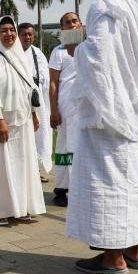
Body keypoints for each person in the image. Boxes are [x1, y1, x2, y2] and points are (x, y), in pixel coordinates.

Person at [67, 0, 138, 274]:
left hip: (105, 112)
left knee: (104, 183)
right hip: (129, 108)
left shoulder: (103, 7)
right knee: (129, 181)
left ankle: (112, 258)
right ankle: (135, 249)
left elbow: (99, 57)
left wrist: (78, 50)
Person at [0, 16, 46, 225]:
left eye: (11, 30)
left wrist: (33, 112)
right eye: (3, 30)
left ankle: (21, 207)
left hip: (22, 121)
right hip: (2, 122)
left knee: (22, 163)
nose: (9, 34)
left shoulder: (20, 57)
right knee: (0, 165)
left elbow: (29, 87)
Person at [48, 12, 82, 207]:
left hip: (85, 106)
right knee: (64, 148)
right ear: (62, 28)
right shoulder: (59, 51)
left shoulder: (88, 47)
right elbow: (53, 83)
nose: (71, 25)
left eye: (74, 21)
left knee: (80, 148)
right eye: (67, 22)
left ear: (80, 25)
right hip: (66, 107)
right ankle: (61, 188)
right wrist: (53, 110)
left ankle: (80, 187)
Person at [18, 23, 53, 182]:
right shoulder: (13, 53)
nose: (27, 37)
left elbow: (46, 80)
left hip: (36, 100)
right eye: (24, 34)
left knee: (35, 137)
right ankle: (21, 173)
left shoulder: (37, 54)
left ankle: (34, 171)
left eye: (30, 34)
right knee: (21, 138)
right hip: (18, 100)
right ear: (18, 35)